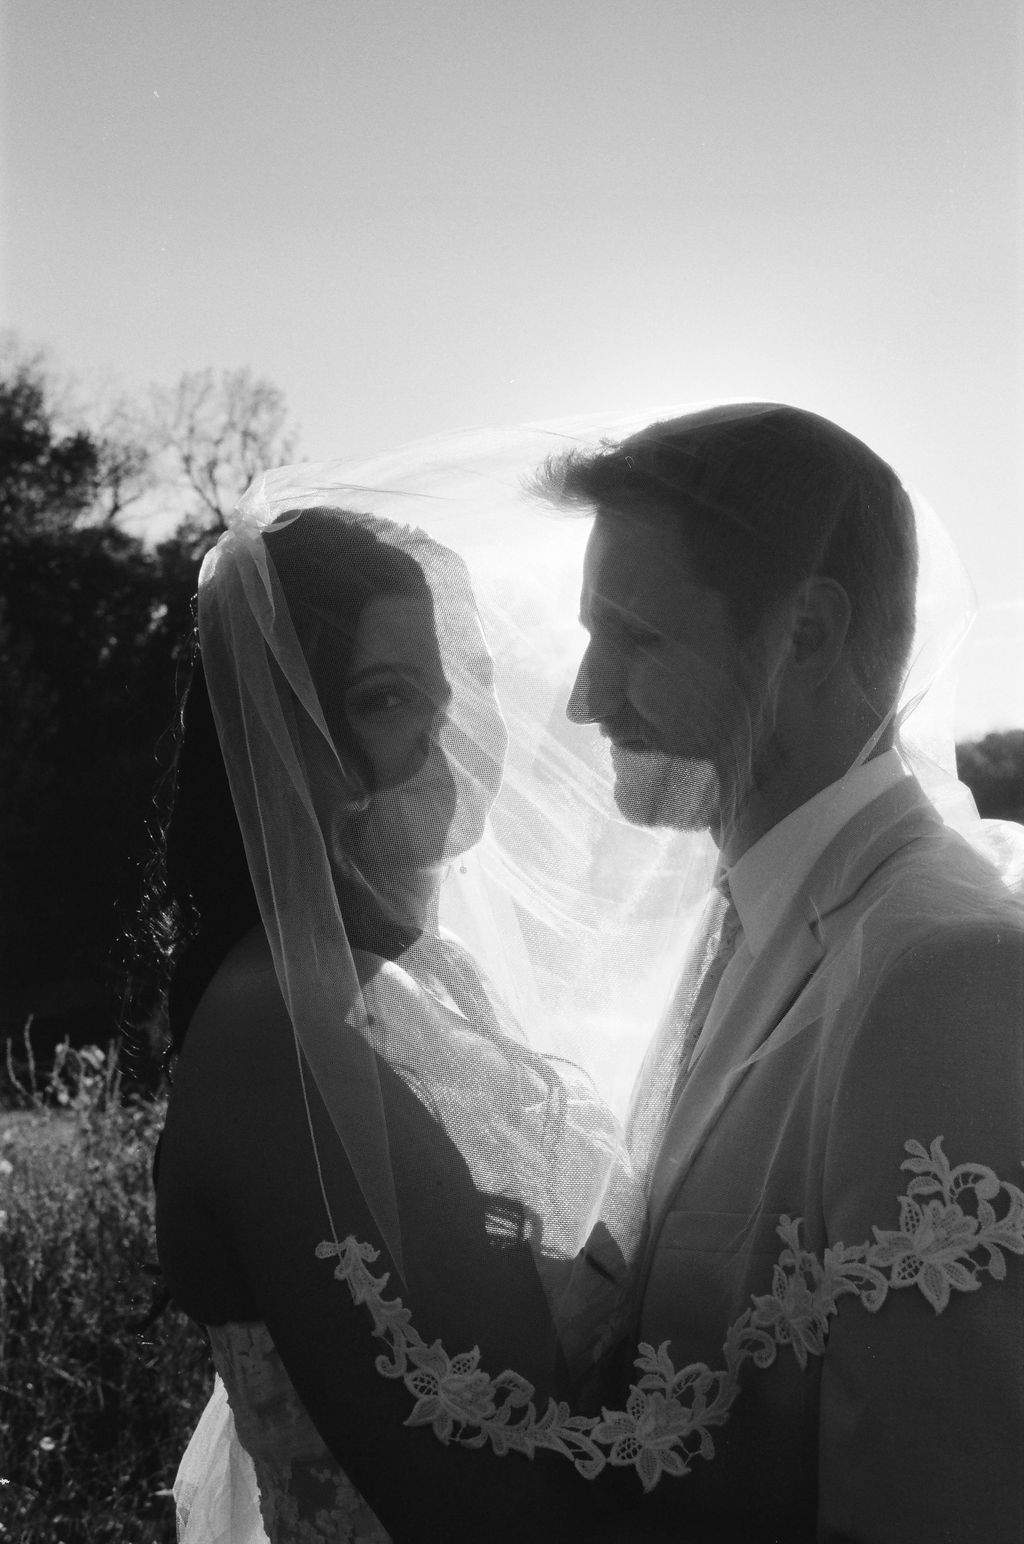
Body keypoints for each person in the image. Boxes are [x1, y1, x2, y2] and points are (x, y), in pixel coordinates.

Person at [538, 402, 1024, 1540]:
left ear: (804, 632)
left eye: (633, 637)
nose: (584, 694)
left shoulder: (937, 971)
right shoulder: (755, 920)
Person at [155, 494, 643, 1542]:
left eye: (452, 686)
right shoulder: (275, 1028)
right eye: (385, 698)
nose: (447, 733)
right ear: (289, 737)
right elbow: (468, 1486)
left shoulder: (437, 975)